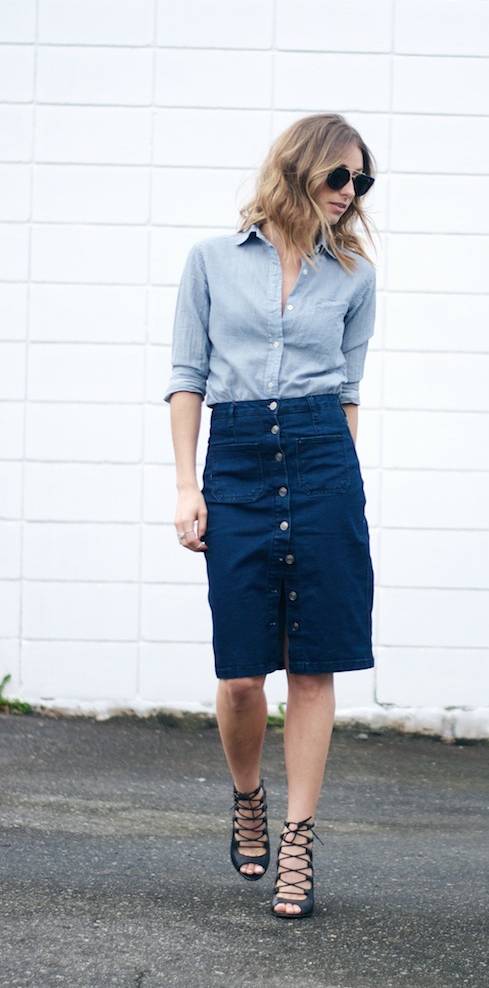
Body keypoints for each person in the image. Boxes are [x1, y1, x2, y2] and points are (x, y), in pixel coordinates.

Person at [165, 113, 377, 919]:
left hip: (324, 458)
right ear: (299, 170)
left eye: (361, 182)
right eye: (339, 177)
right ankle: (247, 792)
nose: (349, 193)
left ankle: (298, 839)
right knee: (243, 672)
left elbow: (348, 389)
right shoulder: (212, 261)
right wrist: (189, 485)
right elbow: (188, 375)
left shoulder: (354, 275)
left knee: (314, 663)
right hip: (241, 456)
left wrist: (342, 482)